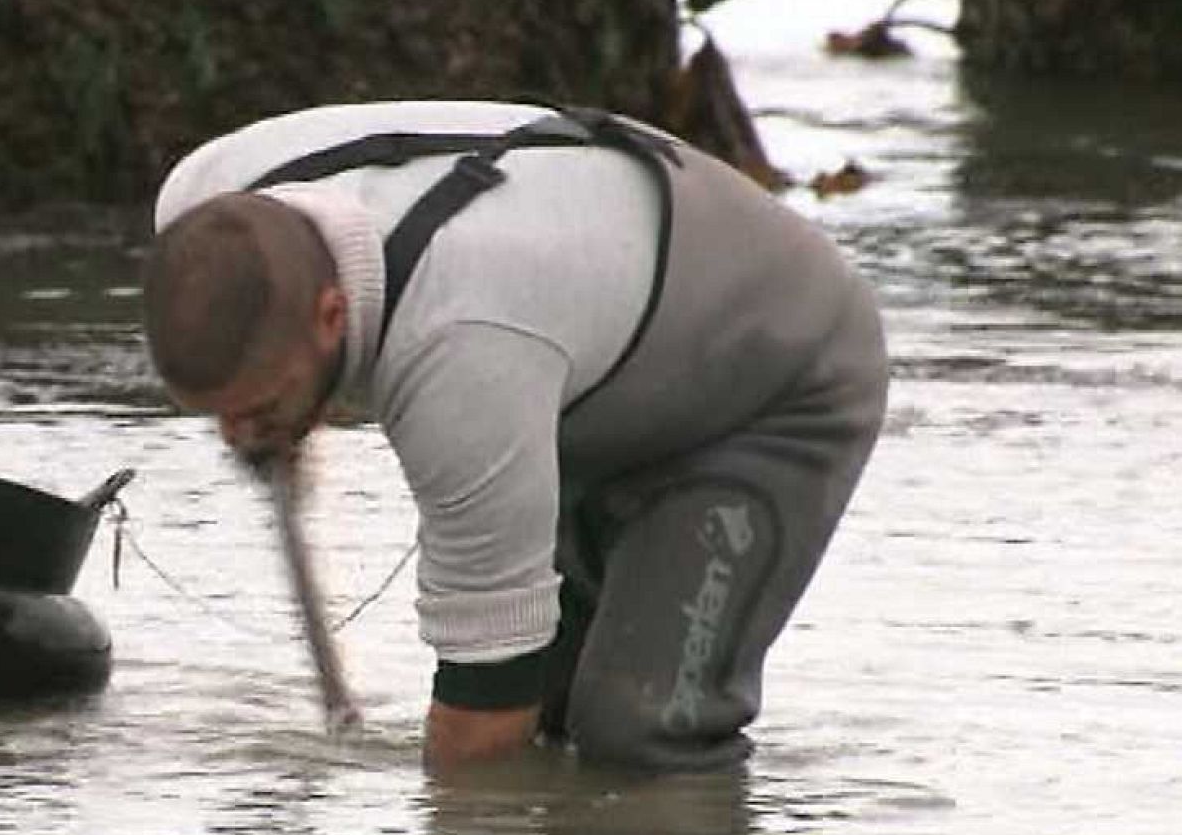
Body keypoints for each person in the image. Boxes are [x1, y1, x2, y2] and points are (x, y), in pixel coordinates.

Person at [140, 100, 887, 772]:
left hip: (772, 381)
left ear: (332, 315)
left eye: (261, 406)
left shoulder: (463, 351)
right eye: (215, 412)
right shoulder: (201, 198)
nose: (237, 436)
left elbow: (480, 725)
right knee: (554, 714)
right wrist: (280, 410)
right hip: (584, 348)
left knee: (638, 730)